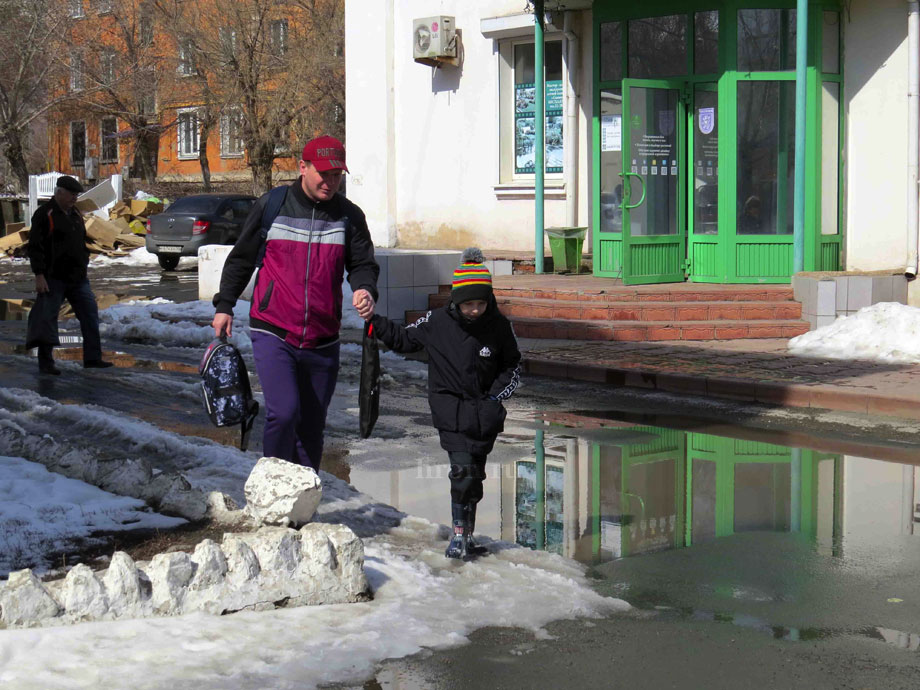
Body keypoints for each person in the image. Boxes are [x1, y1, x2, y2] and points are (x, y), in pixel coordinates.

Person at [212, 135, 379, 471]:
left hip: (322, 336)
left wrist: (364, 289)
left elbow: (362, 263)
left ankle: (303, 498)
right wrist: (224, 305)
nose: (331, 182)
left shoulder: (348, 216)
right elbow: (241, 258)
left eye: (337, 176)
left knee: (312, 425)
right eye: (325, 174)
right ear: (303, 168)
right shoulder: (273, 205)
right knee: (285, 412)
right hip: (273, 328)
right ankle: (273, 487)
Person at [369, 248, 522, 559]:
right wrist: (375, 322)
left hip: (484, 414)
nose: (475, 310)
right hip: (449, 409)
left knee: (475, 477)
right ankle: (458, 535)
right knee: (462, 471)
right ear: (457, 301)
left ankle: (467, 536)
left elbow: (512, 367)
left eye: (481, 303)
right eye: (469, 304)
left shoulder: (499, 327)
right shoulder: (437, 322)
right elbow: (405, 340)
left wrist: (494, 397)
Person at [26, 175, 113, 375]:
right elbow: (35, 247)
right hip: (53, 277)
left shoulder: (75, 213)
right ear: (59, 192)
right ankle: (46, 362)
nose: (75, 198)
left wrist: (84, 261)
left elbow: (80, 241)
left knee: (90, 315)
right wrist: (39, 274)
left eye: (76, 194)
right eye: (71, 194)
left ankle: (93, 358)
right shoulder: (44, 214)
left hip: (78, 278)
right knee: (48, 318)